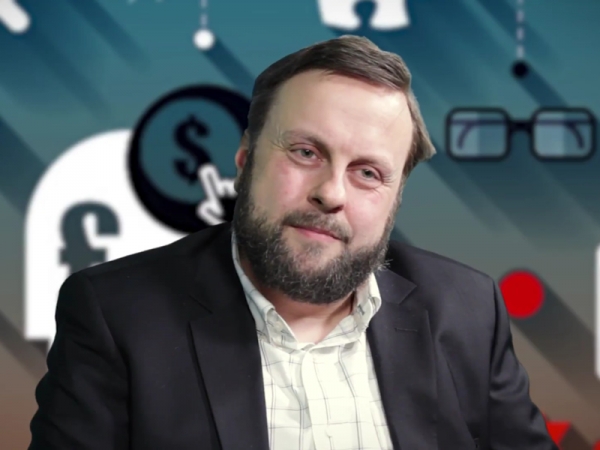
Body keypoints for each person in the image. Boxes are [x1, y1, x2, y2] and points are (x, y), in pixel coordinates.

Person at [29, 35, 557, 450]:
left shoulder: (468, 310)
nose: (331, 193)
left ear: (396, 199)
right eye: (306, 152)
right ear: (245, 159)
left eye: (368, 173)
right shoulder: (115, 314)